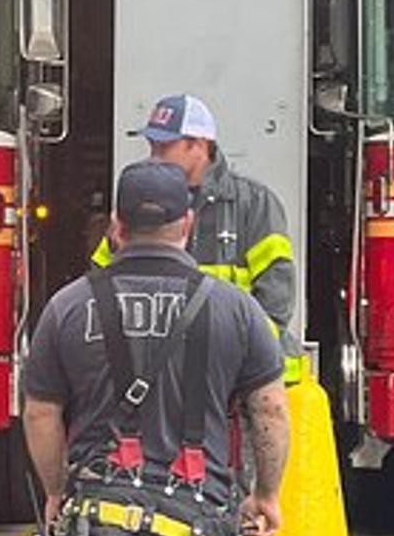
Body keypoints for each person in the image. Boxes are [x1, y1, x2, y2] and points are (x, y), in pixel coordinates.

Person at [25, 160, 290, 536]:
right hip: (198, 526)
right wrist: (266, 494)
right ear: (187, 223)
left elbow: (40, 413)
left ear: (116, 226)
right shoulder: (237, 309)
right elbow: (271, 410)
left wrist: (55, 490)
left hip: (97, 526)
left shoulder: (67, 307)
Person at [95, 94, 301, 378]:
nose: (154, 155)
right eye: (152, 145)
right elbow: (99, 286)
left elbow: (276, 303)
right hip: (163, 375)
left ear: (200, 145)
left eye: (165, 146)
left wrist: (232, 361)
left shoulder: (255, 204)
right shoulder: (140, 200)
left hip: (239, 376)